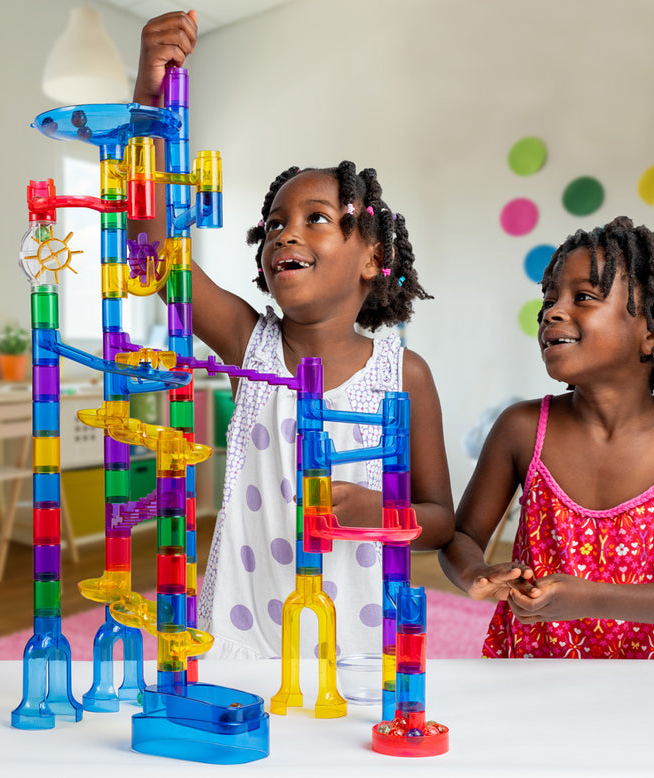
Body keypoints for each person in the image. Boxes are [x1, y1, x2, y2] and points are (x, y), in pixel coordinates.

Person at [130, 10, 454, 659]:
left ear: (371, 258)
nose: (286, 232)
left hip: (360, 646)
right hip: (242, 635)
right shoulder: (250, 344)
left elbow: (442, 520)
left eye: (317, 218)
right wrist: (148, 101)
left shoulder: (403, 373)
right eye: (275, 223)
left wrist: (382, 512)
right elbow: (155, 254)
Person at [439, 216, 654, 659]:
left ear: (653, 332)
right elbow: (459, 536)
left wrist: (588, 598)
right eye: (550, 298)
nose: (553, 312)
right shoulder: (521, 428)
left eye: (583, 297)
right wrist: (477, 574)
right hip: (534, 675)